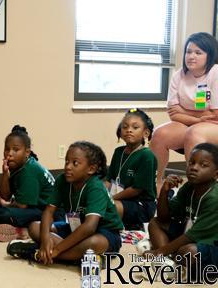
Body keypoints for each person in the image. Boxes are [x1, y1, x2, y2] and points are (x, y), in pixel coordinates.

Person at [6, 141, 123, 265]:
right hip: (75, 228)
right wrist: (45, 240)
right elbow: (48, 212)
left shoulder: (96, 187)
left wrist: (57, 249)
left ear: (91, 169)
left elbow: (89, 227)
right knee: (34, 227)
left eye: (75, 163)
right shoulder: (62, 180)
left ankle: (33, 252)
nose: (68, 166)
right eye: (67, 161)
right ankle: (81, 259)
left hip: (105, 232)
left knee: (93, 243)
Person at [150, 32, 218, 193]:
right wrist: (199, 117)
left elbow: (215, 114)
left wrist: (185, 111)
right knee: (159, 134)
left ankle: (196, 190)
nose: (191, 56)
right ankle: (156, 187)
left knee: (193, 133)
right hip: (195, 124)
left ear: (210, 55)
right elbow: (173, 113)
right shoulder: (179, 75)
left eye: (198, 52)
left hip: (214, 125)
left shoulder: (215, 73)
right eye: (188, 52)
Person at [0, 125, 57, 242]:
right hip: (31, 206)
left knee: (7, 215)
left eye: (15, 150)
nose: (9, 153)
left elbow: (22, 206)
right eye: (7, 149)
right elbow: (5, 196)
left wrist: (6, 205)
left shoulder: (29, 171)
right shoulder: (17, 164)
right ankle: (21, 228)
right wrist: (5, 174)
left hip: (47, 213)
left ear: (27, 152)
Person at [145, 143, 218, 274]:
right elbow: (163, 218)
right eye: (192, 163)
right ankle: (168, 261)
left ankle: (168, 256)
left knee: (189, 252)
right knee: (155, 223)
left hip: (211, 244)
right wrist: (164, 191)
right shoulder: (189, 187)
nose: (194, 168)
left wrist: (159, 251)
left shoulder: (214, 198)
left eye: (203, 165)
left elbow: (191, 236)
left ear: (216, 173)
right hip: (191, 235)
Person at [105, 108, 157, 230]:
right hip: (117, 198)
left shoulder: (146, 155)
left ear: (146, 133)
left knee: (110, 208)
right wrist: (101, 194)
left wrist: (110, 199)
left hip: (141, 204)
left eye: (135, 127)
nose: (129, 130)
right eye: (125, 127)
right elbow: (109, 179)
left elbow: (136, 190)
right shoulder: (118, 152)